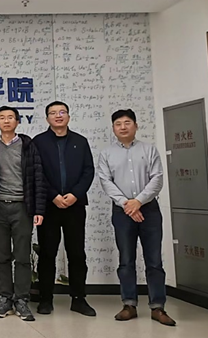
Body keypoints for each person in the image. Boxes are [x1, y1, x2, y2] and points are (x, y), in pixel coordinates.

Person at [97, 109, 175, 326]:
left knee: (154, 260)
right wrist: (127, 204)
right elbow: (106, 182)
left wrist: (138, 201)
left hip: (149, 210)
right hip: (122, 211)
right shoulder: (107, 154)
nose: (123, 127)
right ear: (113, 128)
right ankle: (129, 304)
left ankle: (158, 307)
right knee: (126, 260)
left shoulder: (149, 150)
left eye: (127, 122)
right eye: (118, 124)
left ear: (136, 125)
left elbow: (157, 179)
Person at [33, 101, 96, 316]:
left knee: (77, 253)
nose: (58, 116)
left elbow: (88, 171)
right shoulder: (38, 142)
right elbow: (37, 173)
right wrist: (53, 196)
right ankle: (45, 299)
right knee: (47, 253)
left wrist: (75, 194)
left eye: (62, 112)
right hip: (49, 206)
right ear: (47, 118)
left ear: (68, 116)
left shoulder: (80, 141)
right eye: (53, 113)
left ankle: (79, 299)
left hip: (74, 205)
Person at [0, 106, 46, 321]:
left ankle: (21, 300)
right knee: (2, 256)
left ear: (17, 121)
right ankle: (4, 298)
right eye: (2, 118)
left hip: (22, 207)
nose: (6, 121)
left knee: (22, 256)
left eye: (10, 117)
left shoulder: (28, 146)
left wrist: (39, 209)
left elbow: (38, 177)